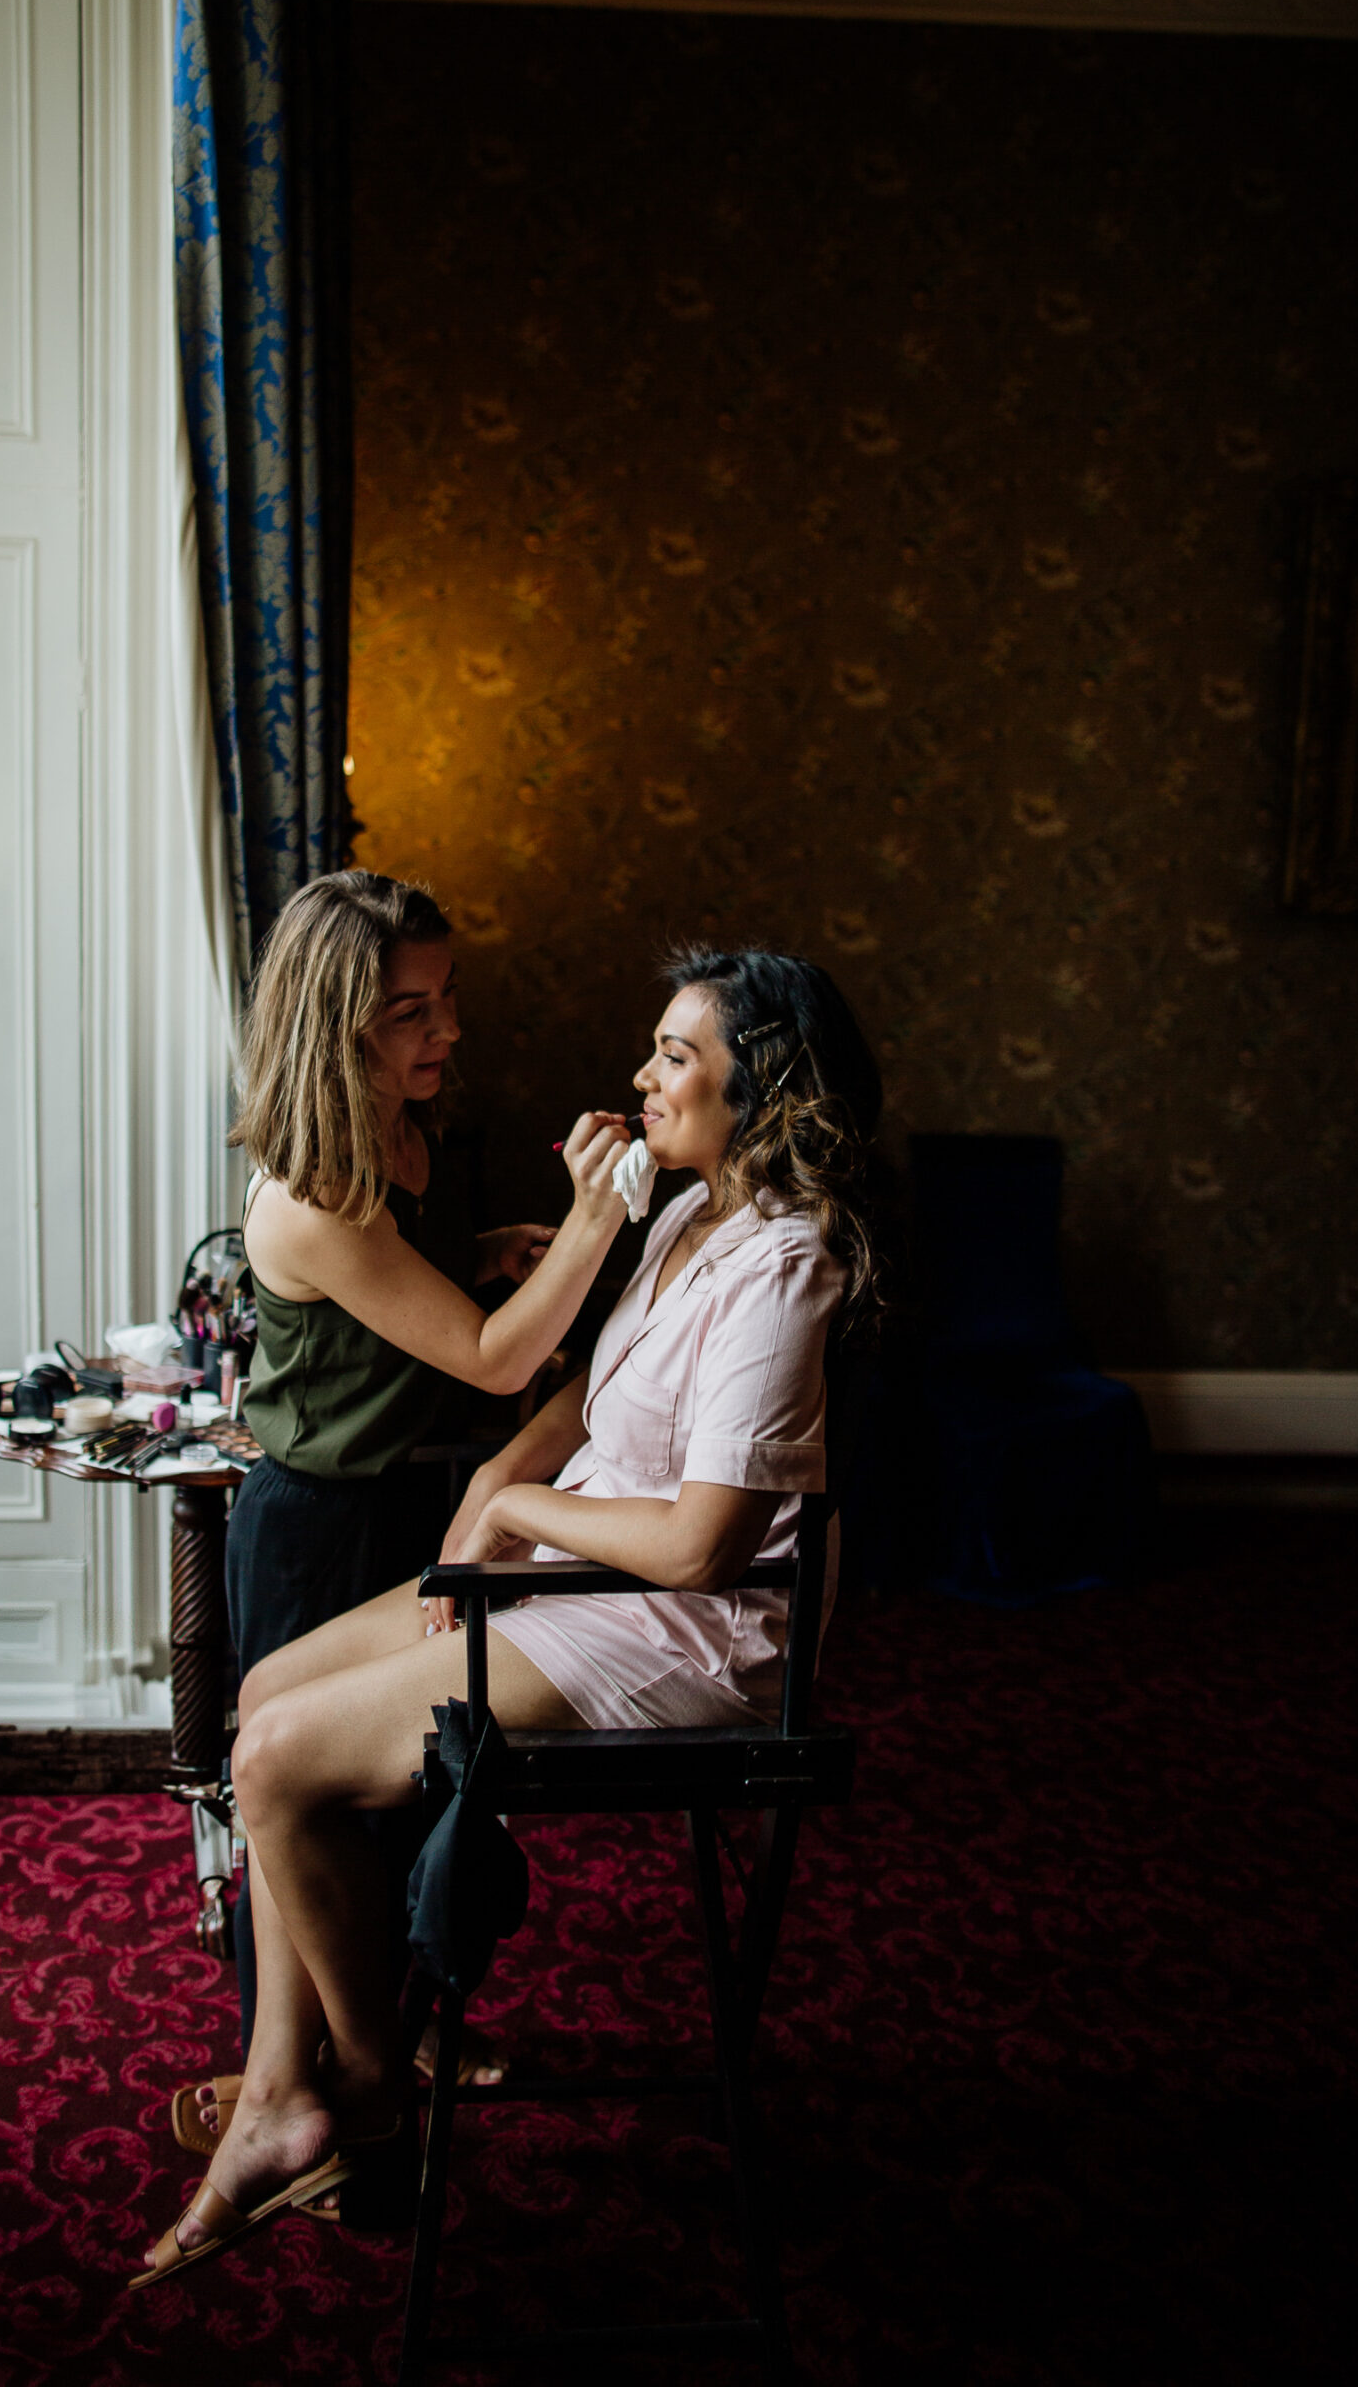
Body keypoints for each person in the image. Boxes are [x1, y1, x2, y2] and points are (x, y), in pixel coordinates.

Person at [135, 944, 888, 2286]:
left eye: (675, 1057)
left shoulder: (784, 1263)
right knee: (262, 1700)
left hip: (686, 1632)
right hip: (591, 1584)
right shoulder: (686, 1213)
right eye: (652, 1049)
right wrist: (496, 1475)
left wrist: (520, 1518)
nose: (641, 1076)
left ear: (760, 1090)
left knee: (269, 1763)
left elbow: (698, 1543)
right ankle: (274, 2094)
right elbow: (590, 1390)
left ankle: (358, 2087)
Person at [177, 870, 634, 2152]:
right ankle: (298, 2082)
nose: (443, 1033)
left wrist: (480, 1247)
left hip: (402, 1502)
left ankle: (390, 2027)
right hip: (312, 1522)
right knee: (303, 1793)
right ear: (335, 1023)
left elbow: (427, 1305)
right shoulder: (307, 1197)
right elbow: (490, 1360)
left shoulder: (403, 1135)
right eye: (408, 1013)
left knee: (412, 1791)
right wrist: (599, 1218)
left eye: (447, 1002)